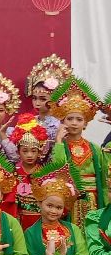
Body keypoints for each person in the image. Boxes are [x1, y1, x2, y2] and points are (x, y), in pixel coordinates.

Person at [50, 77, 108, 227]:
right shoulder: (60, 146)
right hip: (70, 200)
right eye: (70, 119)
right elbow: (59, 169)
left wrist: (106, 206)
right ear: (63, 121)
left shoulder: (95, 148)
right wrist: (58, 142)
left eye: (78, 119)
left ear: (85, 123)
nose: (74, 123)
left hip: (93, 200)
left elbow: (103, 182)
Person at [22, 53, 72, 161]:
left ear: (54, 100)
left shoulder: (61, 123)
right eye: (34, 98)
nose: (37, 103)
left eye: (43, 99)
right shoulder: (28, 122)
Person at [6, 114, 49, 229]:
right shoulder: (13, 173)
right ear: (18, 153)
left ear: (39, 153)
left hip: (40, 219)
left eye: (33, 151)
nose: (29, 155)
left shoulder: (45, 174)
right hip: (19, 219)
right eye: (25, 151)